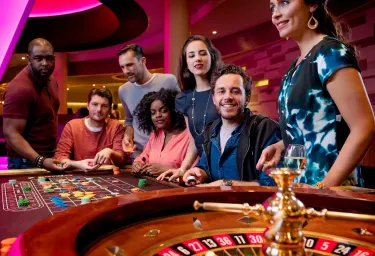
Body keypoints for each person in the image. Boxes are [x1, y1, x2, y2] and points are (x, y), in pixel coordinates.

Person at [257, 0, 375, 188]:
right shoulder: (293, 68)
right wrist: (282, 145)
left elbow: (364, 127)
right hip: (301, 190)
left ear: (312, 4)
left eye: (284, 3)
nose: (275, 14)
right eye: (272, 7)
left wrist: (323, 190)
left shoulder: (330, 52)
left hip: (331, 192)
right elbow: (314, 126)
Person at [176, 64, 280, 187]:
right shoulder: (210, 130)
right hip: (211, 204)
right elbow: (205, 167)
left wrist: (225, 185)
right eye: (221, 91)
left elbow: (274, 183)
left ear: (247, 98)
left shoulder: (265, 128)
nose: (228, 97)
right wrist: (200, 172)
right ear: (214, 99)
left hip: (250, 206)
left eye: (235, 91)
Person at [159, 35, 223, 180]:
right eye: (191, 55)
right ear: (186, 63)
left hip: (229, 166)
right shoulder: (183, 99)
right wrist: (182, 168)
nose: (197, 59)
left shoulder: (223, 91)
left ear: (211, 57)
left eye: (202, 53)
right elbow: (194, 141)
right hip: (204, 170)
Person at [3, 38, 65, 171]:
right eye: (38, 58)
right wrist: (39, 160)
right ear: (29, 59)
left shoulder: (51, 80)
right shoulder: (19, 88)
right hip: (25, 161)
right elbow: (10, 133)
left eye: (49, 58)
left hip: (47, 157)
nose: (45, 63)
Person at [117, 44, 180, 156]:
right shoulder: (123, 90)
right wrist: (127, 136)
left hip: (167, 153)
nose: (126, 71)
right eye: (122, 67)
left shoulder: (168, 81)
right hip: (139, 154)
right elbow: (129, 119)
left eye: (129, 65)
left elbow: (181, 115)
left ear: (143, 61)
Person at [54, 88, 127, 172]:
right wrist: (78, 164)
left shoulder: (116, 126)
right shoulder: (72, 126)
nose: (99, 109)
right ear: (88, 106)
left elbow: (122, 160)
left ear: (110, 109)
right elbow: (59, 159)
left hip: (107, 177)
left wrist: (110, 152)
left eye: (104, 106)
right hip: (79, 176)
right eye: (95, 104)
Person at [131, 89, 193, 177]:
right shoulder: (155, 134)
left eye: (163, 110)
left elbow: (194, 173)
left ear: (174, 111)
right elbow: (144, 156)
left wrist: (166, 170)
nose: (158, 115)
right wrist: (138, 163)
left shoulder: (189, 137)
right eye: (153, 113)